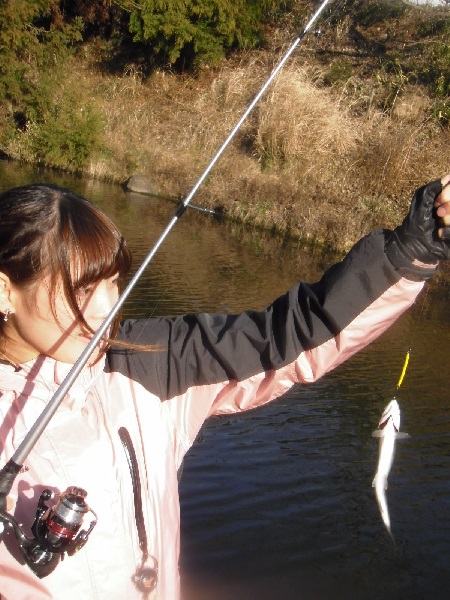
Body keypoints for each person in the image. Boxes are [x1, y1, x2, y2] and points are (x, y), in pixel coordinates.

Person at [0, 176, 449, 600]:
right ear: (6, 292)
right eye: (82, 289)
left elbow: (292, 335)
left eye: (113, 282)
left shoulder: (147, 361)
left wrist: (418, 240)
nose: (106, 307)